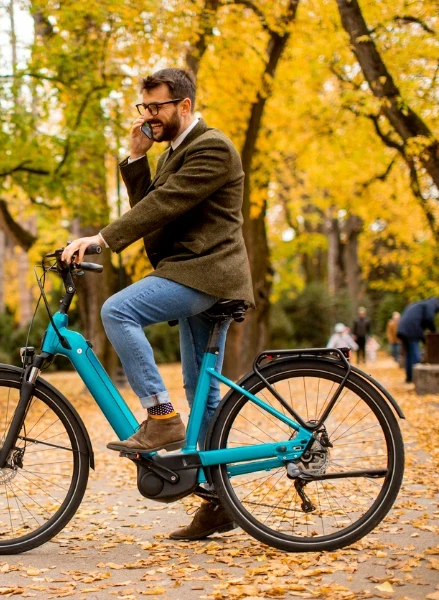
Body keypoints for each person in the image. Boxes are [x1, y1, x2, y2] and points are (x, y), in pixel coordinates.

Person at [62, 68, 253, 541]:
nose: (149, 116)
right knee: (201, 390)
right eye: (143, 108)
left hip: (205, 272)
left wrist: (101, 239)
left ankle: (160, 416)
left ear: (183, 105)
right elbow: (153, 204)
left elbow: (162, 205)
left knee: (117, 310)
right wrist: (134, 158)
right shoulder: (174, 151)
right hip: (195, 271)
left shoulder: (211, 147)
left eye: (157, 107)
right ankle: (217, 502)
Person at [397, 297, 439, 383]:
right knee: (414, 354)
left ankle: (409, 377)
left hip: (403, 329)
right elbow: (429, 318)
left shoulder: (420, 305)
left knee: (409, 354)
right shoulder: (430, 305)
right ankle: (415, 378)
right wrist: (434, 332)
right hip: (411, 330)